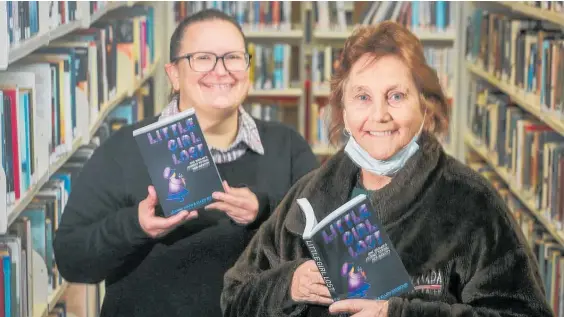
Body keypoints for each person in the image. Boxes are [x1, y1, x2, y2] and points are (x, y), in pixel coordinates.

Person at [220, 21, 553, 317]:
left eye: (396, 96)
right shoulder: (310, 196)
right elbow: (235, 298)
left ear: (426, 106)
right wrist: (289, 285)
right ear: (344, 111)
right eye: (362, 97)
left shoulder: (472, 204)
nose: (379, 115)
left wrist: (398, 313)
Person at [53, 9, 319, 317]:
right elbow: (72, 260)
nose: (221, 71)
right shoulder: (126, 149)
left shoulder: (286, 146)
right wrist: (135, 226)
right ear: (174, 74)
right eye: (203, 58)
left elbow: (324, 245)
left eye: (233, 57)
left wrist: (265, 209)